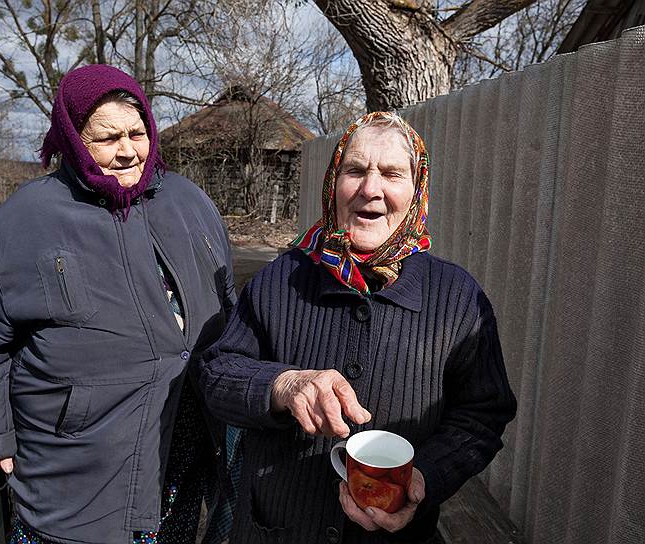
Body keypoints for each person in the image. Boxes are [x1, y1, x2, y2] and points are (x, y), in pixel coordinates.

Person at [0, 64, 236, 544]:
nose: (127, 151)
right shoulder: (27, 220)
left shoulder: (189, 202)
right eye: (107, 138)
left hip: (183, 432)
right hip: (82, 453)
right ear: (73, 139)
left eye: (137, 132)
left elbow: (229, 305)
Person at [198, 112, 517, 543]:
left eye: (391, 174)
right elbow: (217, 375)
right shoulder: (282, 277)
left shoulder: (457, 296)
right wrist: (282, 385)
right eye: (355, 170)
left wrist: (424, 477)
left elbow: (483, 413)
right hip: (275, 528)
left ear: (417, 188)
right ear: (334, 183)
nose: (371, 189)